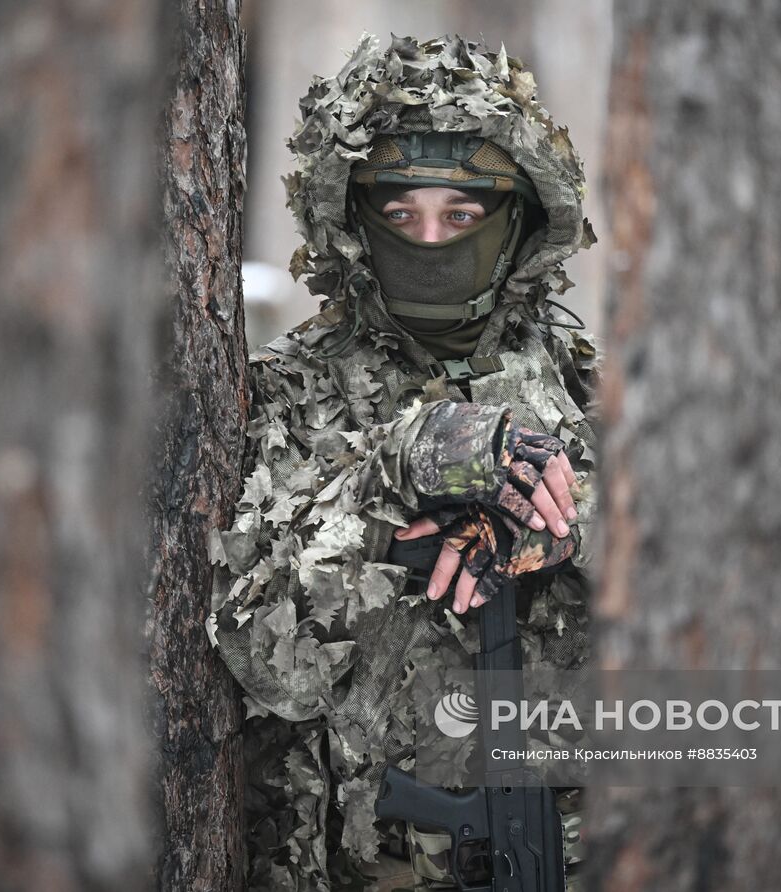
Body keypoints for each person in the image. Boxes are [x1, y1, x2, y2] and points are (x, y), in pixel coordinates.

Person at [207, 34, 598, 890]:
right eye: (400, 216)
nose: (430, 241)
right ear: (355, 226)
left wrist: (562, 526)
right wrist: (396, 478)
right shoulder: (290, 394)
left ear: (517, 225)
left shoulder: (576, 392)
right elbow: (266, 664)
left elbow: (698, 575)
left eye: (461, 216)